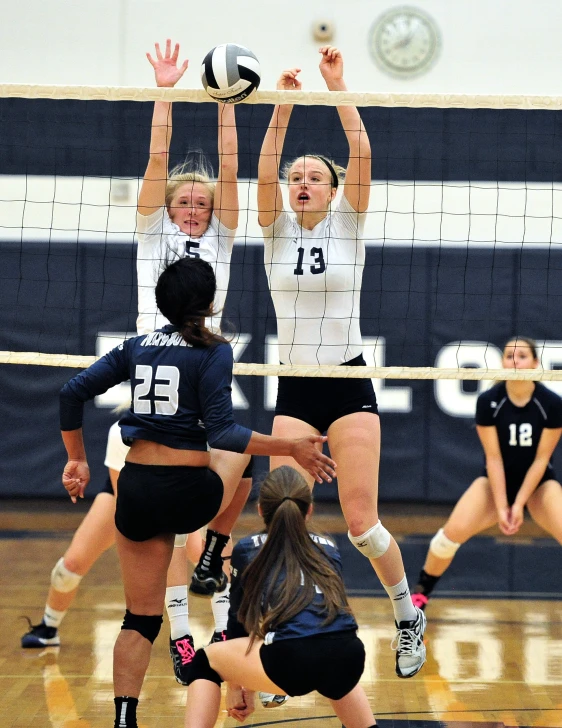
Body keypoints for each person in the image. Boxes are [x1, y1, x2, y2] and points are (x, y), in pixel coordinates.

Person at [21, 40, 250, 689]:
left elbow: (230, 170)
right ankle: (178, 635)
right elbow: (156, 157)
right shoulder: (151, 232)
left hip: (197, 377)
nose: (193, 209)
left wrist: (227, 102)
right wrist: (166, 89)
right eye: (185, 202)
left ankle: (208, 580)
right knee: (136, 538)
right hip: (153, 385)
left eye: (200, 206)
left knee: (230, 482)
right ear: (169, 206)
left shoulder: (223, 238)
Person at [59, 256, 336, 728]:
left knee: (140, 620)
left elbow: (71, 392)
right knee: (243, 449)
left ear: (163, 303)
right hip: (191, 494)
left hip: (138, 490)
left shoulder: (136, 346)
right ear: (208, 304)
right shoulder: (214, 349)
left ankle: (124, 718)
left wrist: (77, 459)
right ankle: (210, 551)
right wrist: (291, 445)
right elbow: (225, 433)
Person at [256, 46, 426, 679]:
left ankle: (407, 613)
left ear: (332, 190)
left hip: (347, 377)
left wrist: (336, 88)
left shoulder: (347, 225)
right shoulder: (275, 228)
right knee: (283, 517)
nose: (302, 182)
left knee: (361, 523)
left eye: (315, 177)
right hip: (297, 384)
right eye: (296, 177)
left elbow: (364, 154)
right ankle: (275, 639)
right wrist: (283, 105)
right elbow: (267, 164)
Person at [184, 465, 376, 728]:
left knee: (204, 661)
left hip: (293, 659)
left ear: (261, 509)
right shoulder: (330, 547)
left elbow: (240, 624)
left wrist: (238, 688)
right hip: (350, 653)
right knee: (334, 675)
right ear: (309, 510)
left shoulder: (248, 549)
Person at [412, 336, 562, 611]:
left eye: (521, 356)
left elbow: (542, 459)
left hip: (539, 483)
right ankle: (419, 597)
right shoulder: (489, 401)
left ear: (536, 364)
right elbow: (493, 459)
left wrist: (519, 504)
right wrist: (503, 504)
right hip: (495, 482)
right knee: (448, 536)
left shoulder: (551, 404)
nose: (514, 361)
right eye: (508, 356)